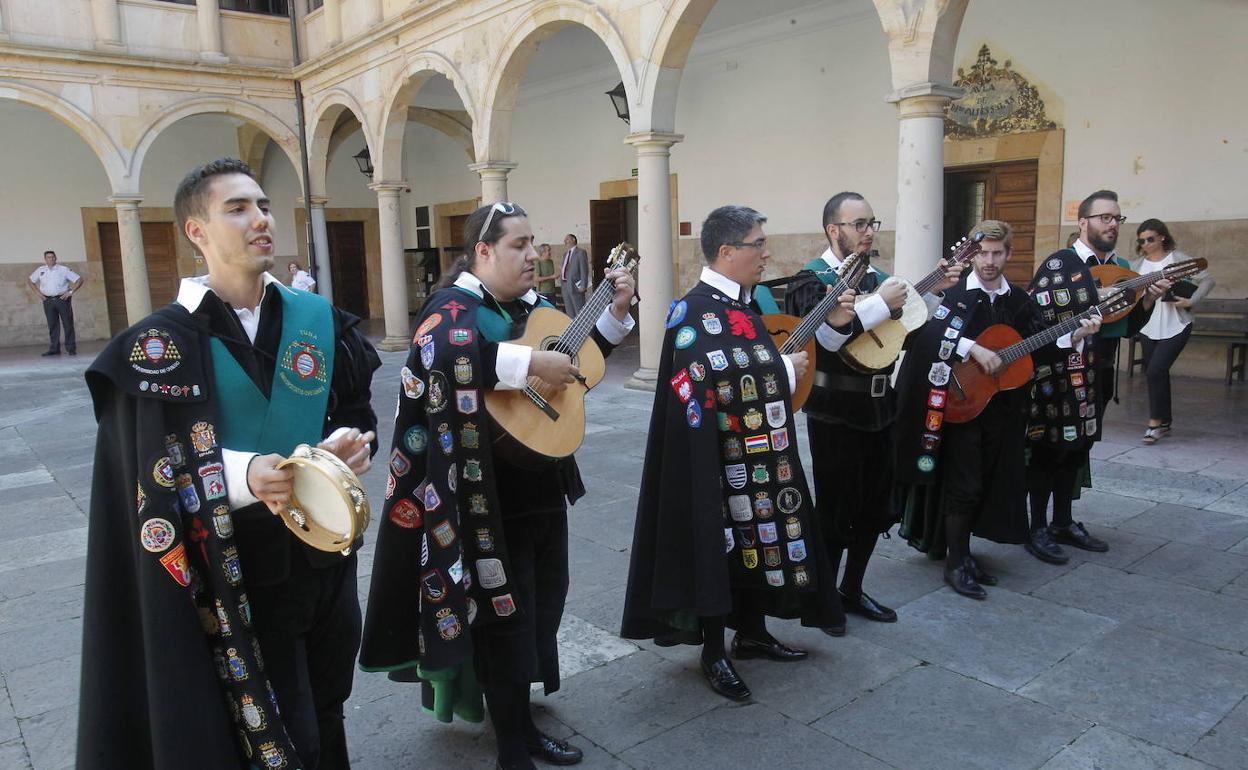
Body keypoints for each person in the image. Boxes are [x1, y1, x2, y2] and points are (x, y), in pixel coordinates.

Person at [78, 157, 380, 770]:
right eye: (237, 208)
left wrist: (350, 446)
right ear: (197, 232)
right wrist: (244, 477)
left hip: (325, 559)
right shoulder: (158, 347)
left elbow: (357, 414)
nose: (261, 219)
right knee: (281, 726)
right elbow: (144, 474)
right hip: (232, 575)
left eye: (264, 205)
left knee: (328, 705)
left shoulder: (317, 321)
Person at [360, 202, 635, 770]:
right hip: (484, 497)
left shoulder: (532, 307)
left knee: (543, 604)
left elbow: (576, 361)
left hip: (542, 482)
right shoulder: (451, 307)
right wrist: (529, 362)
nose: (533, 255)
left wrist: (614, 315)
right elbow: (447, 354)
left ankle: (522, 720)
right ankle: (513, 744)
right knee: (503, 618)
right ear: (483, 251)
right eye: (519, 245)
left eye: (534, 242)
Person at [621, 205, 850, 702]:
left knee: (757, 538)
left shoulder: (743, 304)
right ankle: (712, 650)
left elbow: (741, 363)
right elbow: (703, 378)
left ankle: (751, 631)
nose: (766, 253)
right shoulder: (694, 310)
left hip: (757, 455)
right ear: (728, 252)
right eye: (757, 244)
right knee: (715, 545)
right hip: (711, 460)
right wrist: (783, 372)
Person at [783, 192, 963, 628]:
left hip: (882, 407)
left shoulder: (880, 277)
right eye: (858, 224)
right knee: (835, 508)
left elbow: (907, 336)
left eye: (871, 224)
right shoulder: (811, 281)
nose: (867, 233)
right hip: (834, 411)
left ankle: (852, 589)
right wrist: (882, 302)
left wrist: (930, 295)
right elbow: (823, 341)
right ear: (833, 229)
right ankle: (822, 601)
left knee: (875, 507)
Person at [893, 220, 1098, 599]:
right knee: (962, 484)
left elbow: (1038, 344)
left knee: (986, 482)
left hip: (1001, 410)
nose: (989, 261)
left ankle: (966, 554)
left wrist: (1076, 334)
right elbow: (925, 338)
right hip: (957, 405)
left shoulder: (1017, 300)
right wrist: (971, 347)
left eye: (996, 253)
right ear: (973, 255)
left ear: (1009, 254)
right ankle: (955, 563)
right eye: (983, 253)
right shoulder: (954, 295)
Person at [1022, 193, 1127, 564]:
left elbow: (1126, 327)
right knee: (1048, 452)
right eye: (1104, 218)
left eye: (1117, 218)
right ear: (1083, 223)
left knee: (1079, 448)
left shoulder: (1118, 268)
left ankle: (1063, 522)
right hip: (1057, 376)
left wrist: (1144, 302)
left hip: (1094, 374)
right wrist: (1075, 333)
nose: (1112, 225)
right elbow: (1037, 322)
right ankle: (1035, 527)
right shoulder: (1059, 264)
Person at [1133, 218, 1215, 444]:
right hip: (1148, 326)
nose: (1146, 244)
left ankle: (1154, 424)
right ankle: (1165, 422)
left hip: (1177, 324)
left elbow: (1208, 280)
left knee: (1155, 370)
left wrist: (1190, 301)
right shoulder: (1137, 266)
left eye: (1150, 239)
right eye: (1142, 241)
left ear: (1162, 236)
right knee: (1157, 372)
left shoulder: (1178, 259)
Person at [28, 249, 84, 356]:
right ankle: (54, 348)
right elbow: (30, 281)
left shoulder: (63, 270)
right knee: (52, 325)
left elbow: (79, 280)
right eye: (49, 257)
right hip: (48, 300)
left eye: (53, 257)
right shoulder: (41, 270)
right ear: (45, 259)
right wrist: (38, 294)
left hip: (62, 299)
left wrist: (71, 292)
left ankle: (71, 348)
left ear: (56, 258)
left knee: (67, 323)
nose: (51, 259)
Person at [559, 234, 588, 316]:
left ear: (573, 239)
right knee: (569, 311)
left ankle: (582, 327)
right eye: (564, 240)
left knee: (579, 310)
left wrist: (583, 286)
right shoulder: (565, 254)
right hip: (565, 285)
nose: (565, 241)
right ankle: (573, 327)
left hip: (575, 286)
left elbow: (584, 270)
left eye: (567, 239)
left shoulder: (581, 252)